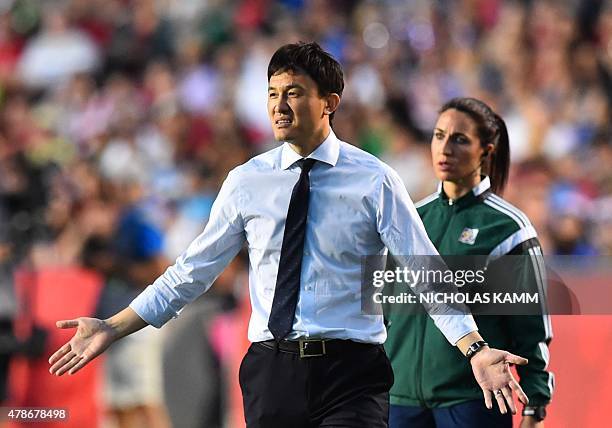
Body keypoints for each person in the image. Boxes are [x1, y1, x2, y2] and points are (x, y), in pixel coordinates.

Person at [49, 43, 529, 428]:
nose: (279, 105)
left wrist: (474, 347)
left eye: (294, 92)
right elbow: (190, 274)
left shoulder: (375, 179)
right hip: (271, 370)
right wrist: (115, 325)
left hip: (352, 373)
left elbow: (425, 272)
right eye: (273, 92)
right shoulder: (245, 181)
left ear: (329, 104)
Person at [384, 97, 553, 428]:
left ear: (486, 152)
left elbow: (532, 330)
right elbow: (383, 311)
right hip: (398, 400)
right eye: (438, 135)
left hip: (475, 400)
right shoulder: (408, 219)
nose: (445, 148)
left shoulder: (508, 228)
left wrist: (535, 406)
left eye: (460, 139)